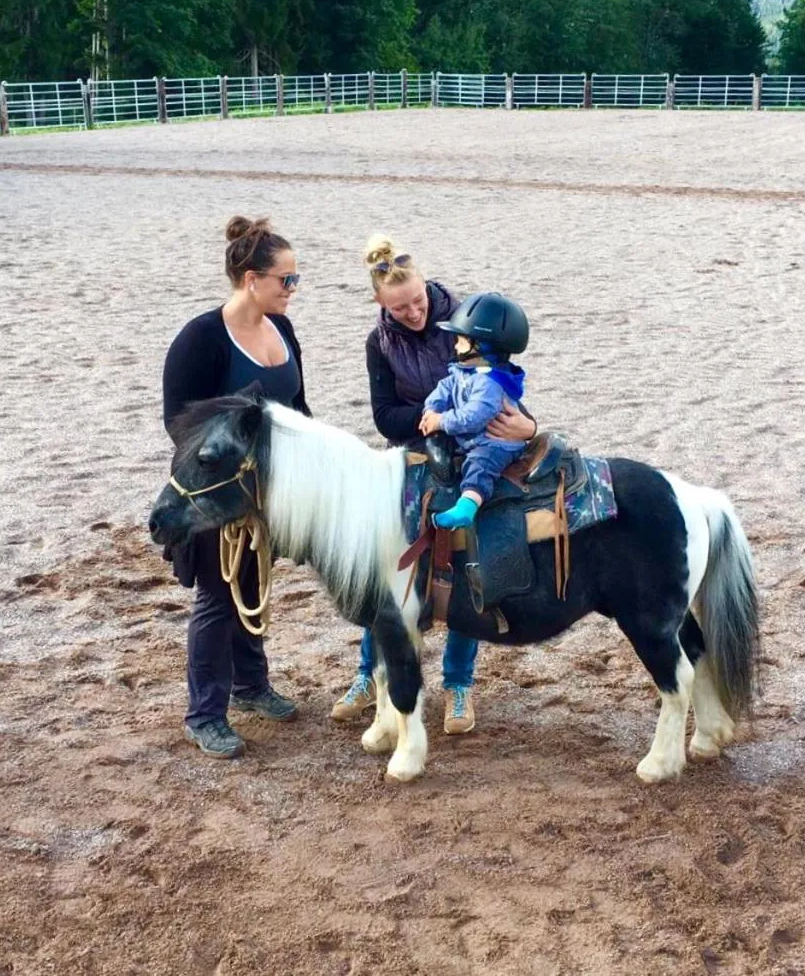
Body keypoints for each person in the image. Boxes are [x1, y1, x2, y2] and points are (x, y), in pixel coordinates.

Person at [330, 236, 537, 735]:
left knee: (470, 561)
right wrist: (432, 416)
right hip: (414, 449)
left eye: (418, 301)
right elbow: (384, 416)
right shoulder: (380, 342)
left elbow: (504, 396)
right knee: (385, 568)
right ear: (381, 304)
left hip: (468, 446)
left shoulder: (466, 325)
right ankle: (368, 673)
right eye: (400, 308)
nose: (413, 312)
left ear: (430, 289)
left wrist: (525, 429)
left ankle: (458, 684)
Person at [161, 215, 310, 759]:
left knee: (252, 583)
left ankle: (251, 686)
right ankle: (205, 714)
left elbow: (297, 407)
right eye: (286, 280)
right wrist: (237, 465)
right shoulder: (201, 338)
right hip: (216, 491)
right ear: (252, 279)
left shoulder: (283, 330)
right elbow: (178, 423)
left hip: (267, 489)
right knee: (218, 596)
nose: (294, 289)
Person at [421, 293, 530, 530]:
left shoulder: (490, 383)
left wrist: (441, 421)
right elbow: (444, 388)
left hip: (495, 443)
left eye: (461, 341)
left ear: (483, 347)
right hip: (471, 441)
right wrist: (431, 409)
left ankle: (468, 505)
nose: (456, 346)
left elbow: (474, 417)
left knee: (481, 465)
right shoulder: (465, 372)